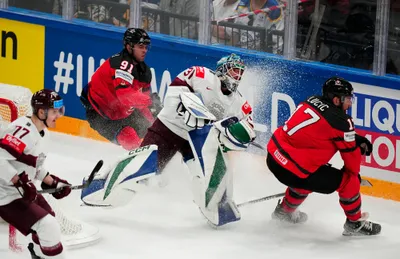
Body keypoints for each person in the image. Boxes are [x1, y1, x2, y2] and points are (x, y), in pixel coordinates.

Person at [81, 54, 256, 227]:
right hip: (169, 128)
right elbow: (176, 89)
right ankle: (99, 185)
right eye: (234, 71)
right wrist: (186, 108)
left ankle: (218, 205)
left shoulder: (238, 102)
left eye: (240, 73)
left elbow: (248, 125)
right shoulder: (202, 75)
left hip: (197, 139)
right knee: (144, 167)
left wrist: (239, 133)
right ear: (223, 69)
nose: (237, 77)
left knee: (209, 171)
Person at [266, 77, 381, 236]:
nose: (350, 103)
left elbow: (321, 131)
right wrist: (353, 174)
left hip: (273, 158)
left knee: (309, 173)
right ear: (336, 100)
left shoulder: (311, 100)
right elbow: (351, 160)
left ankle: (284, 212)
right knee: (349, 180)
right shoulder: (342, 121)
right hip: (294, 170)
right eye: (347, 99)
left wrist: (353, 138)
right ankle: (354, 224)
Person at [0, 89, 72, 259]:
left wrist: (53, 182)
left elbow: (34, 166)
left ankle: (40, 257)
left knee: (50, 218)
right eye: (54, 112)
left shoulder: (43, 133)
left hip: (18, 191)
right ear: (41, 112)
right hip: (4, 193)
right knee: (48, 226)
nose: (58, 116)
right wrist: (18, 181)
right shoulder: (21, 130)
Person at [80, 28, 162, 150]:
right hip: (101, 116)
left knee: (157, 131)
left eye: (146, 47)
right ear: (129, 47)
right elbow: (125, 97)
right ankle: (138, 165)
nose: (144, 50)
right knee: (129, 137)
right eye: (140, 46)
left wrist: (155, 121)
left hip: (124, 113)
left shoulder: (145, 72)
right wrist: (150, 101)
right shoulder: (121, 64)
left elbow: (144, 105)